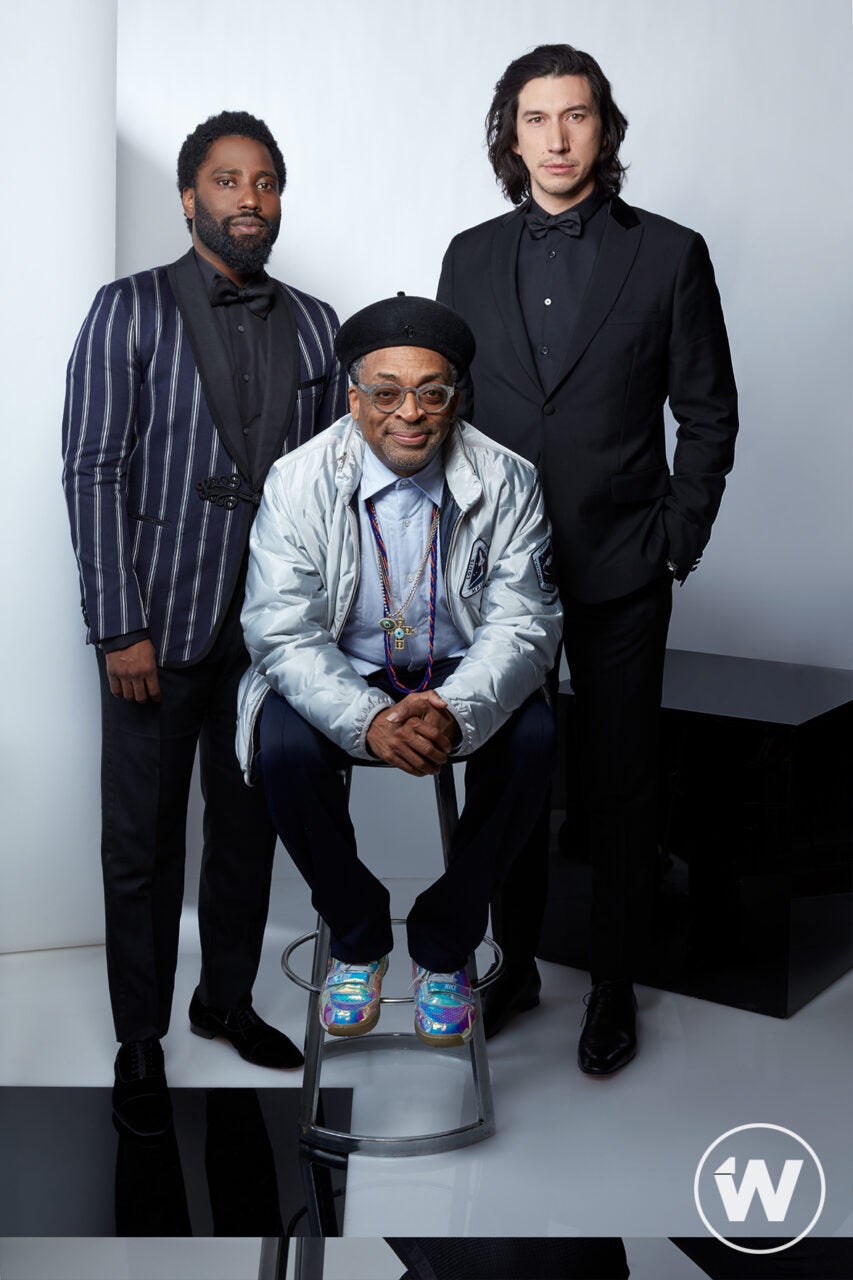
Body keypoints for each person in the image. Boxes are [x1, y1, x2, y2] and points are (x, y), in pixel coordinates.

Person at [438, 44, 738, 1073]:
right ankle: (515, 962)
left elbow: (707, 411)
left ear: (603, 129)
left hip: (623, 562)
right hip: (498, 574)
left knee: (620, 783)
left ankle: (613, 982)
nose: (557, 137)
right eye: (536, 118)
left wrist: (675, 539)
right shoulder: (467, 256)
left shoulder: (670, 254)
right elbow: (448, 410)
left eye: (576, 115)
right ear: (510, 134)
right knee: (507, 772)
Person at [62, 109, 346, 1136]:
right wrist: (116, 626)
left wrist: (320, 627)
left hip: (270, 635)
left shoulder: (318, 324)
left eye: (265, 182)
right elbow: (92, 469)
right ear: (190, 198)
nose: (249, 199)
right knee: (140, 843)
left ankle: (224, 999)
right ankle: (139, 1038)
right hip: (155, 623)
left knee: (247, 826)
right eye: (228, 181)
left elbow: (331, 483)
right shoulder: (127, 309)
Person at [236, 294, 562, 1046]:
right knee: (279, 745)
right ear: (354, 400)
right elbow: (280, 629)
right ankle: (357, 935)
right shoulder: (297, 479)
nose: (409, 413)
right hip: (341, 667)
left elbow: (525, 623)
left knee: (536, 737)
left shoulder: (507, 478)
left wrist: (452, 709)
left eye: (431, 393)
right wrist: (368, 718)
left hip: (460, 669)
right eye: (386, 393)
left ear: (455, 399)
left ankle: (445, 940)